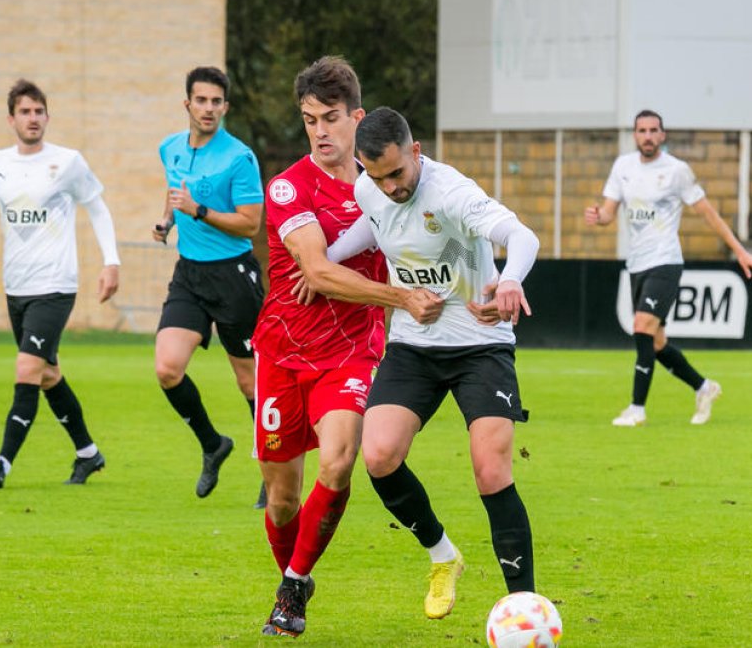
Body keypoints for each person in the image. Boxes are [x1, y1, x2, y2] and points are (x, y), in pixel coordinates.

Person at [319, 106, 542, 619]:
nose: (392, 186)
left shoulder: (453, 192)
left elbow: (522, 236)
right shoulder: (369, 187)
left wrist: (510, 280)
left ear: (415, 151)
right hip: (414, 346)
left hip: (481, 344)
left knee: (490, 469)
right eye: (378, 176)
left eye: (398, 173)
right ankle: (443, 555)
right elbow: (373, 227)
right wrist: (325, 260)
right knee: (377, 455)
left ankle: (522, 606)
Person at [250, 57, 443, 637]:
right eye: (309, 119)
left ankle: (294, 586)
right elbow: (317, 269)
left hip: (351, 352)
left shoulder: (382, 185)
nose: (320, 131)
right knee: (281, 501)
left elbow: (437, 220)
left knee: (338, 460)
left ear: (357, 117)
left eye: (331, 118)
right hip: (282, 350)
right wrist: (399, 296)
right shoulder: (288, 185)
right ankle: (293, 573)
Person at [0, 79, 121, 488]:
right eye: (25, 112)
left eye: (39, 111)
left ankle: (2, 462)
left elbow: (97, 208)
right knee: (48, 374)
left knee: (26, 368)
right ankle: (88, 453)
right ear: (11, 119)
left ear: (48, 117)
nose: (33, 118)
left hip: (55, 286)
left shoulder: (68, 161)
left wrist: (112, 262)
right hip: (15, 287)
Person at [585, 109, 752, 427]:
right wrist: (599, 217)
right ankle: (704, 387)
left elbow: (708, 213)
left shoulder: (677, 170)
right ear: (635, 135)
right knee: (656, 343)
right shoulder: (622, 167)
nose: (648, 136)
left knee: (641, 326)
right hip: (636, 264)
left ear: (663, 135)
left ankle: (637, 409)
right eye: (642, 130)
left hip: (665, 262)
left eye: (654, 130)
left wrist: (740, 252)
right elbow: (609, 212)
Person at [151, 67, 267, 506]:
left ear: (225, 107)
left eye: (217, 102)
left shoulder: (239, 157)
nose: (209, 109)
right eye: (201, 101)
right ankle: (213, 444)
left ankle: (271, 467)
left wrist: (197, 211)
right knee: (167, 369)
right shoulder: (170, 147)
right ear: (187, 104)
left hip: (233, 276)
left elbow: (249, 223)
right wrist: (167, 221)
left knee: (249, 382)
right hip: (189, 273)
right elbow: (174, 189)